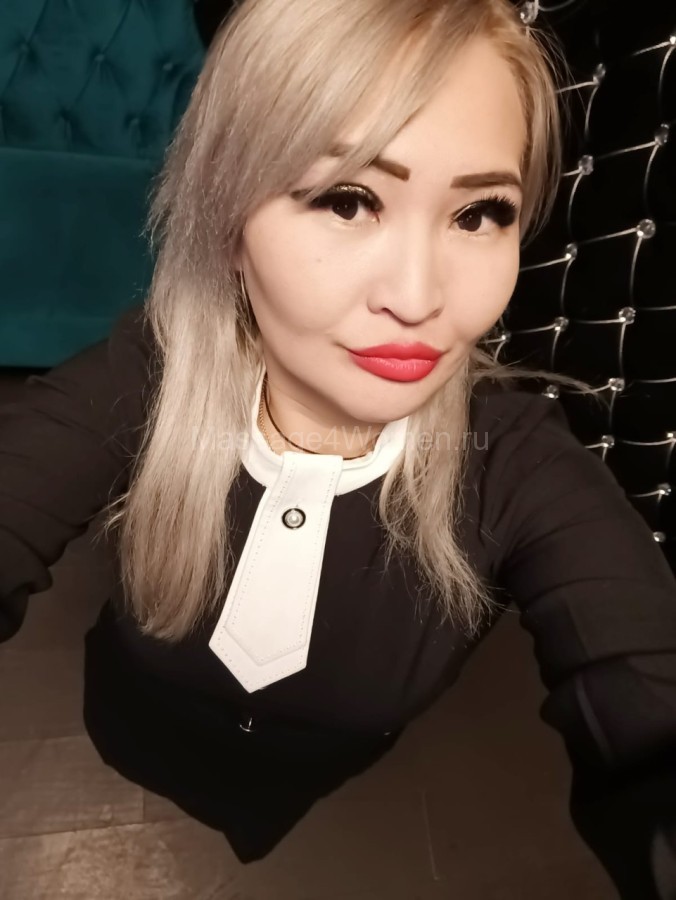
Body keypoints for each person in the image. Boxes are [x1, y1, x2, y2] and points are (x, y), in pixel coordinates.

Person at [1, 0, 675, 896]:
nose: (419, 297)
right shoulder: (145, 375)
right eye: (349, 200)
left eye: (480, 214)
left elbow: (644, 700)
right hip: (127, 733)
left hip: (313, 785)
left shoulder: (520, 465)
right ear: (227, 220)